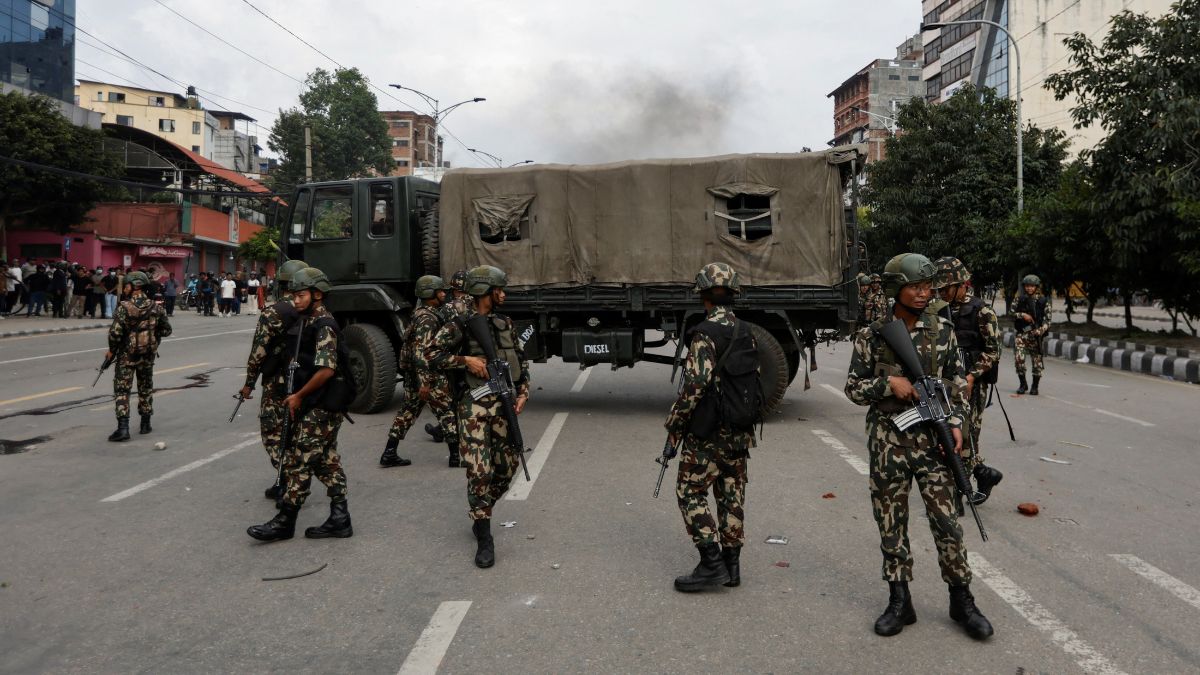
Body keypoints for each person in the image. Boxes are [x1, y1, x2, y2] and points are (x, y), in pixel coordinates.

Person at [845, 253, 992, 641]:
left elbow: (958, 382)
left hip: (932, 441)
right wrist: (887, 386)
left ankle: (962, 599)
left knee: (947, 522)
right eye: (916, 286)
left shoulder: (942, 332)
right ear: (896, 289)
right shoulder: (872, 335)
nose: (925, 293)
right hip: (888, 441)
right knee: (891, 522)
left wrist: (957, 423)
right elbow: (853, 388)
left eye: (928, 286)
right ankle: (899, 600)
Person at [426, 265, 530, 568]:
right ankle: (485, 535)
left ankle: (480, 510)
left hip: (503, 404)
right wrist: (465, 360)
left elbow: (520, 360)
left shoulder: (504, 322)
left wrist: (524, 392)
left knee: (508, 466)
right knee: (479, 471)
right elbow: (430, 355)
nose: (503, 294)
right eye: (499, 289)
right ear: (485, 291)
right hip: (473, 406)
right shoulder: (460, 324)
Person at [665, 262, 757, 593]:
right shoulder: (746, 330)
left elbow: (695, 386)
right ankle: (732, 567)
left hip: (709, 432)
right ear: (733, 295)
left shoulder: (704, 334)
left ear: (703, 295)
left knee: (689, 491)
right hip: (740, 430)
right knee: (731, 494)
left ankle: (711, 563)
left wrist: (675, 423)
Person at [247, 267, 354, 542]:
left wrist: (298, 396)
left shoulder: (324, 325)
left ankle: (285, 520)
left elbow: (326, 370)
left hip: (322, 404)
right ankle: (340, 518)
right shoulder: (307, 321)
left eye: (301, 295)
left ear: (317, 294)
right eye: (294, 295)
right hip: (318, 403)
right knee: (326, 460)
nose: (296, 301)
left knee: (298, 460)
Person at [934, 257, 1004, 504]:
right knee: (950, 435)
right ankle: (984, 474)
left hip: (972, 383)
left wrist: (972, 376)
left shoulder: (982, 311)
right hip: (945, 383)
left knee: (967, 435)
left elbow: (994, 351)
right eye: (939, 289)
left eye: (946, 288)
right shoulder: (940, 309)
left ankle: (955, 497)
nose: (941, 293)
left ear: (961, 284)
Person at [240, 259, 310, 501]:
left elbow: (258, 352)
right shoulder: (313, 311)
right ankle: (284, 481)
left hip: (278, 383)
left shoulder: (274, 313)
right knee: (296, 433)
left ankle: (290, 484)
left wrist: (249, 382)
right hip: (306, 382)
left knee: (273, 433)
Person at [381, 275, 458, 468]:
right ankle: (456, 456)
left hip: (415, 375)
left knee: (407, 412)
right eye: (439, 291)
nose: (443, 294)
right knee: (446, 412)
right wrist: (425, 382)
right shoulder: (427, 319)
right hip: (428, 375)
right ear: (429, 294)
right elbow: (422, 353)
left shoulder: (422, 313)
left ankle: (389, 452)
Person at [106, 271, 172, 441]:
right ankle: (145, 424)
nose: (125, 288)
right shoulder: (156, 307)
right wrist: (151, 336)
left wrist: (112, 350)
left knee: (122, 390)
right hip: (147, 355)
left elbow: (115, 334)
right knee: (145, 387)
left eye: (126, 285)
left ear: (133, 286)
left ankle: (123, 429)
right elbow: (167, 330)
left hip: (127, 356)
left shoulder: (124, 307)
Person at [1013, 274, 1051, 395]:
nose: (1029, 288)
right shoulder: (1019, 299)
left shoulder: (1043, 301)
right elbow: (1012, 312)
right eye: (1027, 286)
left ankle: (1035, 386)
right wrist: (1022, 315)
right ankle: (1023, 384)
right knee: (1019, 359)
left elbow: (1047, 320)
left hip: (1036, 335)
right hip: (1022, 334)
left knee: (1037, 362)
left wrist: (1041, 330)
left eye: (1032, 286)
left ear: (1036, 287)